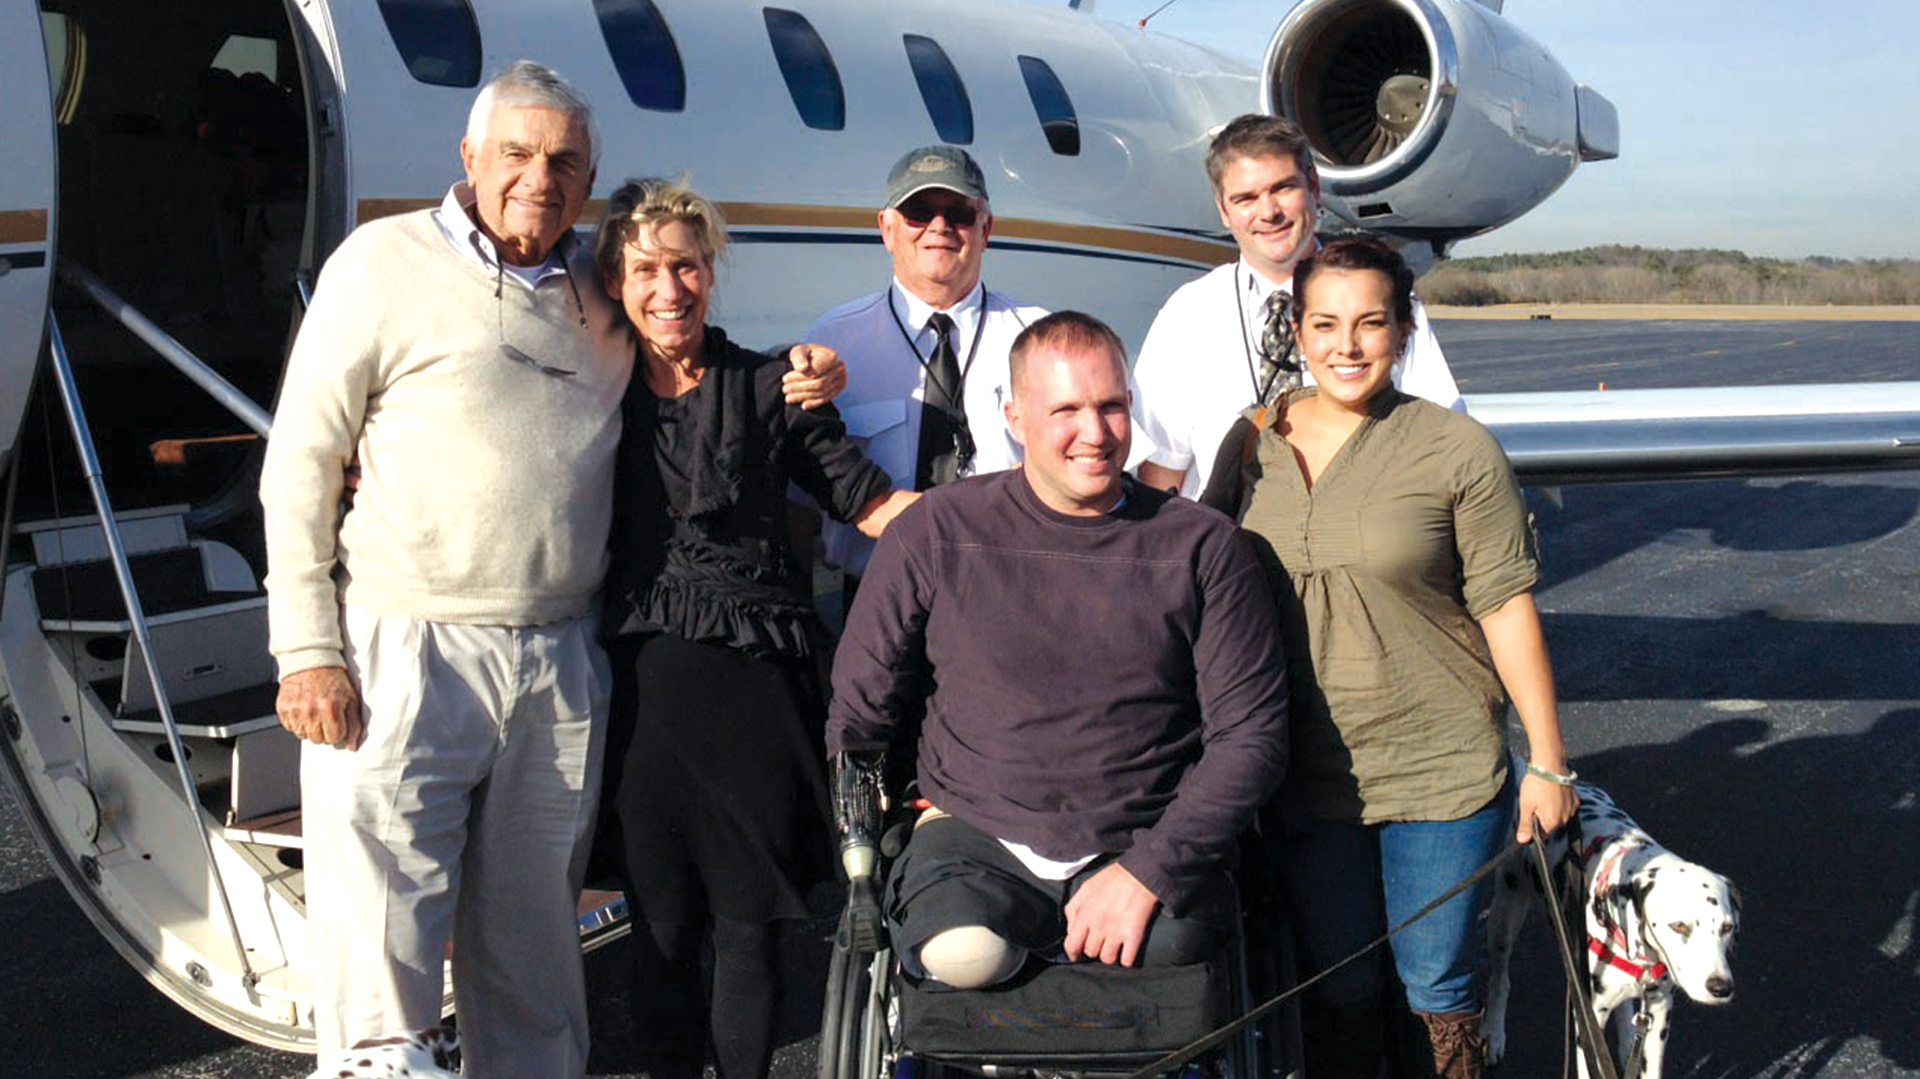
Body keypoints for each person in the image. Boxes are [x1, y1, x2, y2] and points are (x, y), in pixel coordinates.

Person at [261, 62, 843, 1075]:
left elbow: (692, 356)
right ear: (470, 159)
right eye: (519, 153)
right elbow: (303, 460)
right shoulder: (379, 263)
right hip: (409, 644)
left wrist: (803, 374)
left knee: (536, 958)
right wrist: (307, 646)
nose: (542, 176)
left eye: (566, 159)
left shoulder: (599, 293)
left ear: (589, 178)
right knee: (382, 954)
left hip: (561, 655)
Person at [1200, 238, 1577, 1079]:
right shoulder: (1249, 443)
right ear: (1296, 330)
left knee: (1435, 980)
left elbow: (1505, 604)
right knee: (1338, 984)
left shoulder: (1454, 449)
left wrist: (1548, 763)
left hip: (1435, 763)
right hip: (1300, 769)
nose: (1347, 343)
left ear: (1403, 331)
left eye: (1372, 322)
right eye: (1326, 323)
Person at [828, 311, 1289, 989]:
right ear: (1014, 415)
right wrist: (868, 827)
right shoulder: (935, 531)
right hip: (977, 829)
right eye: (1066, 409)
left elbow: (1252, 736)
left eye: (1110, 406)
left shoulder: (1203, 547)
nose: (1095, 434)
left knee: (1164, 960)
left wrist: (1150, 870)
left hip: (1142, 831)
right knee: (962, 954)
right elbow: (860, 705)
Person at [593, 177, 917, 1079]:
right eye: (648, 269)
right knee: (657, 933)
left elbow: (871, 502)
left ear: (712, 271)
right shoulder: (593, 393)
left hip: (755, 700)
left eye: (688, 266)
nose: (670, 289)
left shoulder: (776, 384)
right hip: (640, 703)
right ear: (617, 280)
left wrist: (1019, 514)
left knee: (747, 932)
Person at [1130, 113, 1461, 500]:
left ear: (1314, 186)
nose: (1268, 212)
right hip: (1229, 551)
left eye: (1282, 188)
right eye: (1246, 198)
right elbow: (1160, 470)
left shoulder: (1384, 301)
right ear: (1223, 210)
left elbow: (1445, 444)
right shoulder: (1188, 315)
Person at [805, 144, 1048, 581]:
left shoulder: (1039, 338)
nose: (939, 227)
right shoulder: (834, 340)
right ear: (887, 228)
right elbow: (798, 502)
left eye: (959, 213)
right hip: (871, 597)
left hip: (1008, 590)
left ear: (986, 227)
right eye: (918, 211)